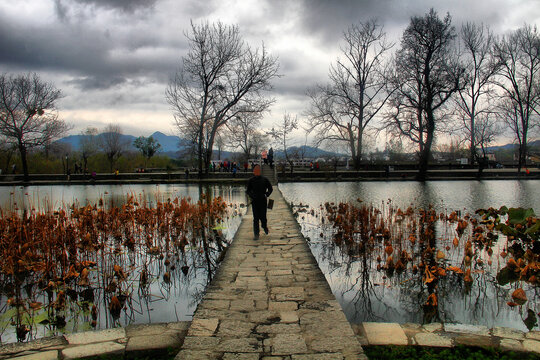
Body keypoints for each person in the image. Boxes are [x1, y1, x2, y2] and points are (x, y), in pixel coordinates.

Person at [246, 164, 273, 240]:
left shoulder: (265, 179)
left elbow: (270, 188)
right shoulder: (251, 180)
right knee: (256, 218)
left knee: (263, 217)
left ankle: (264, 226)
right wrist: (252, 196)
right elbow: (248, 191)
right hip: (255, 201)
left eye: (258, 170)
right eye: (255, 170)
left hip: (263, 201)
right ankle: (256, 235)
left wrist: (266, 194)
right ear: (254, 171)